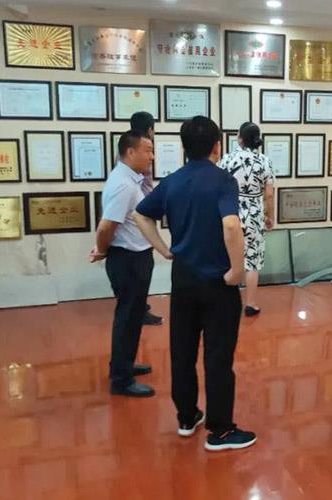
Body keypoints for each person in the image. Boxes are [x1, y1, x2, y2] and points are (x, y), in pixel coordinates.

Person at [134, 116, 257, 452]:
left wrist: (164, 249)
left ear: (184, 147)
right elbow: (231, 226)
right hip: (218, 283)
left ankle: (187, 418)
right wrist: (237, 271)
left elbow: (141, 214)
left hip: (184, 280)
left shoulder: (172, 181)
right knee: (218, 356)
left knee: (183, 352)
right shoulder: (223, 181)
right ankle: (220, 431)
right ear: (217, 146)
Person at [89, 130, 156, 398]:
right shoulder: (124, 185)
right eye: (147, 150)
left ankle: (124, 365)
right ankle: (121, 379)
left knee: (132, 316)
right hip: (128, 260)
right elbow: (106, 226)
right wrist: (102, 250)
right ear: (130, 152)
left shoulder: (127, 179)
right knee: (127, 318)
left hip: (134, 257)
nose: (152, 157)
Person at [219, 122, 275, 317]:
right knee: (252, 259)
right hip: (254, 212)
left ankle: (226, 302)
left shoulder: (227, 159)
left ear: (240, 138)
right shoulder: (264, 161)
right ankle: (250, 304)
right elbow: (269, 194)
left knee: (229, 256)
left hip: (231, 210)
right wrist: (269, 216)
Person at [129, 111, 164, 327]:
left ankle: (139, 306)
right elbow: (143, 187)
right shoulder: (141, 151)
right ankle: (138, 309)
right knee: (142, 265)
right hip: (139, 216)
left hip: (136, 214)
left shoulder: (129, 148)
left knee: (142, 264)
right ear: (150, 130)